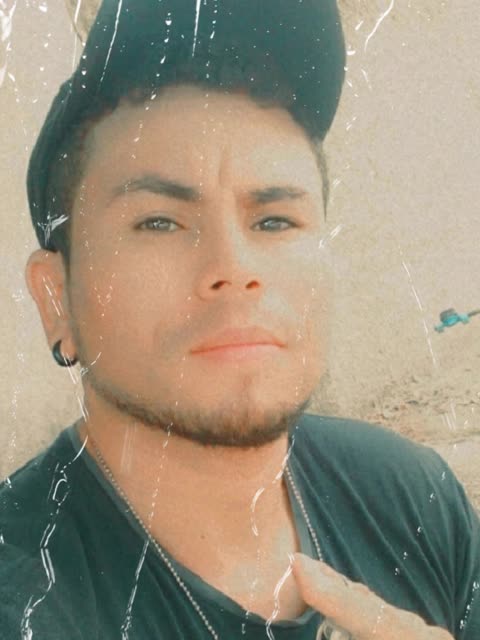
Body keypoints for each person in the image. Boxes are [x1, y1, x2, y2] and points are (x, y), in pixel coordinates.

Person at [1, 1, 479, 638]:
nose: (234, 267)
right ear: (56, 299)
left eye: (275, 221)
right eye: (159, 222)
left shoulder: (415, 499)